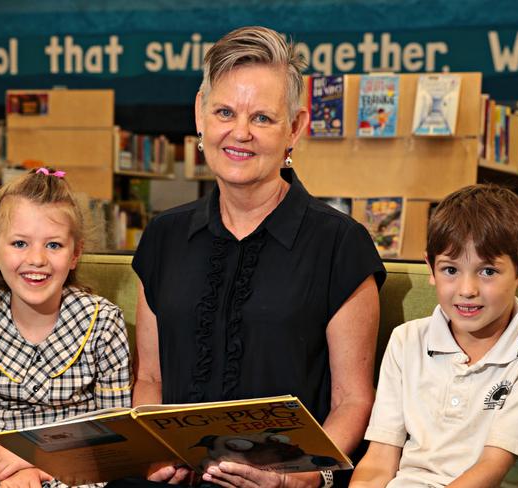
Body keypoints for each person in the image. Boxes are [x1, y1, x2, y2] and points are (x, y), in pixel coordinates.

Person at [129, 26, 386, 488]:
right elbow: (150, 379)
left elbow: (352, 400)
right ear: (200, 115)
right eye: (224, 111)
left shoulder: (341, 244)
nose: (239, 133)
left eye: (263, 118)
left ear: (296, 128)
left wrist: (303, 478)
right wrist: (156, 456)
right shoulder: (163, 237)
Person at [349, 184, 518, 488]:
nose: (467, 290)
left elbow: (492, 467)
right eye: (451, 270)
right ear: (431, 268)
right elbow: (379, 459)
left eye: (488, 271)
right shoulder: (405, 340)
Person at [0, 168, 132, 488]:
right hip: (0, 463)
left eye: (54, 245)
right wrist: (13, 466)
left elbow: (113, 426)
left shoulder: (102, 323)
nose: (37, 259)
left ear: (75, 254)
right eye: (19, 243)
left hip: (81, 464)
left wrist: (38, 460)